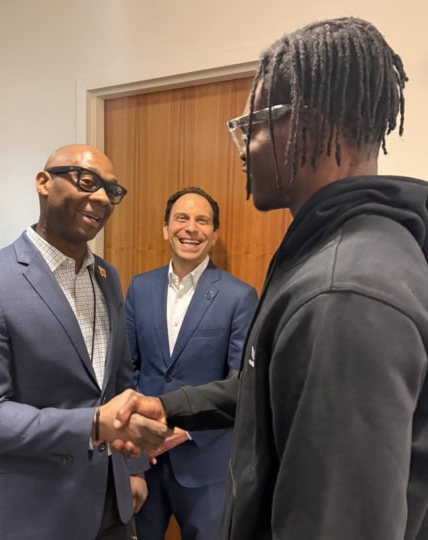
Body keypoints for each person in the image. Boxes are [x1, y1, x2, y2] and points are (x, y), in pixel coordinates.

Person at [113, 16, 428, 540]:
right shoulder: (327, 252)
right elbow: (268, 387)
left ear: (309, 125)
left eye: (252, 125)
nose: (243, 148)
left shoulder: (342, 291)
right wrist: (167, 405)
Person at [0, 144, 170, 540]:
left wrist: (134, 468)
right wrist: (91, 424)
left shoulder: (107, 277)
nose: (103, 198)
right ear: (43, 182)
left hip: (114, 503)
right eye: (87, 182)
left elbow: (120, 381)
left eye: (112, 190)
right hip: (36, 509)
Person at [124, 187, 257, 540]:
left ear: (214, 235)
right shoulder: (139, 288)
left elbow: (241, 381)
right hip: (144, 459)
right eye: (181, 218)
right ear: (165, 228)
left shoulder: (239, 296)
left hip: (206, 461)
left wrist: (187, 430)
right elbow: (128, 368)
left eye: (203, 221)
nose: (191, 228)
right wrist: (139, 436)